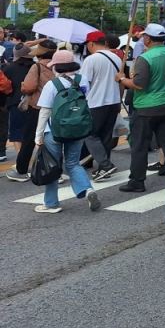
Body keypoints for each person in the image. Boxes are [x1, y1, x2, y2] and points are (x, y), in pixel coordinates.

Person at [32, 50, 102, 214]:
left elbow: (44, 112)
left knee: (52, 166)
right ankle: (88, 190)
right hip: (78, 128)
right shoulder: (82, 80)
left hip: (54, 131)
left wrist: (38, 136)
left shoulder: (53, 85)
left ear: (56, 66)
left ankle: (51, 203)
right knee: (73, 163)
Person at [116, 24, 165, 192]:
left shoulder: (146, 58)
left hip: (147, 107)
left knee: (139, 145)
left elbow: (139, 84)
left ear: (147, 38)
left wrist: (122, 79)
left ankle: (137, 181)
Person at [8, 40, 57, 182]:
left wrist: (23, 86)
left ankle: (21, 170)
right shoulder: (59, 67)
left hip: (38, 107)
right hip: (57, 107)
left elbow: (29, 87)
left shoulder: (37, 67)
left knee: (29, 138)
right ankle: (54, 168)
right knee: (53, 138)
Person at [80, 31, 123, 181]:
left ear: (91, 44)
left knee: (89, 134)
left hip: (96, 102)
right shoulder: (117, 58)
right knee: (105, 136)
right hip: (113, 101)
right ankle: (102, 169)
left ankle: (105, 165)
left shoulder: (91, 60)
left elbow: (84, 84)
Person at [2, 43, 34, 167]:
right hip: (36, 104)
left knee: (17, 133)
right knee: (36, 132)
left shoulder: (8, 68)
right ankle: (42, 160)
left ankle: (22, 163)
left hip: (16, 104)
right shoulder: (36, 67)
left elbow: (4, 87)